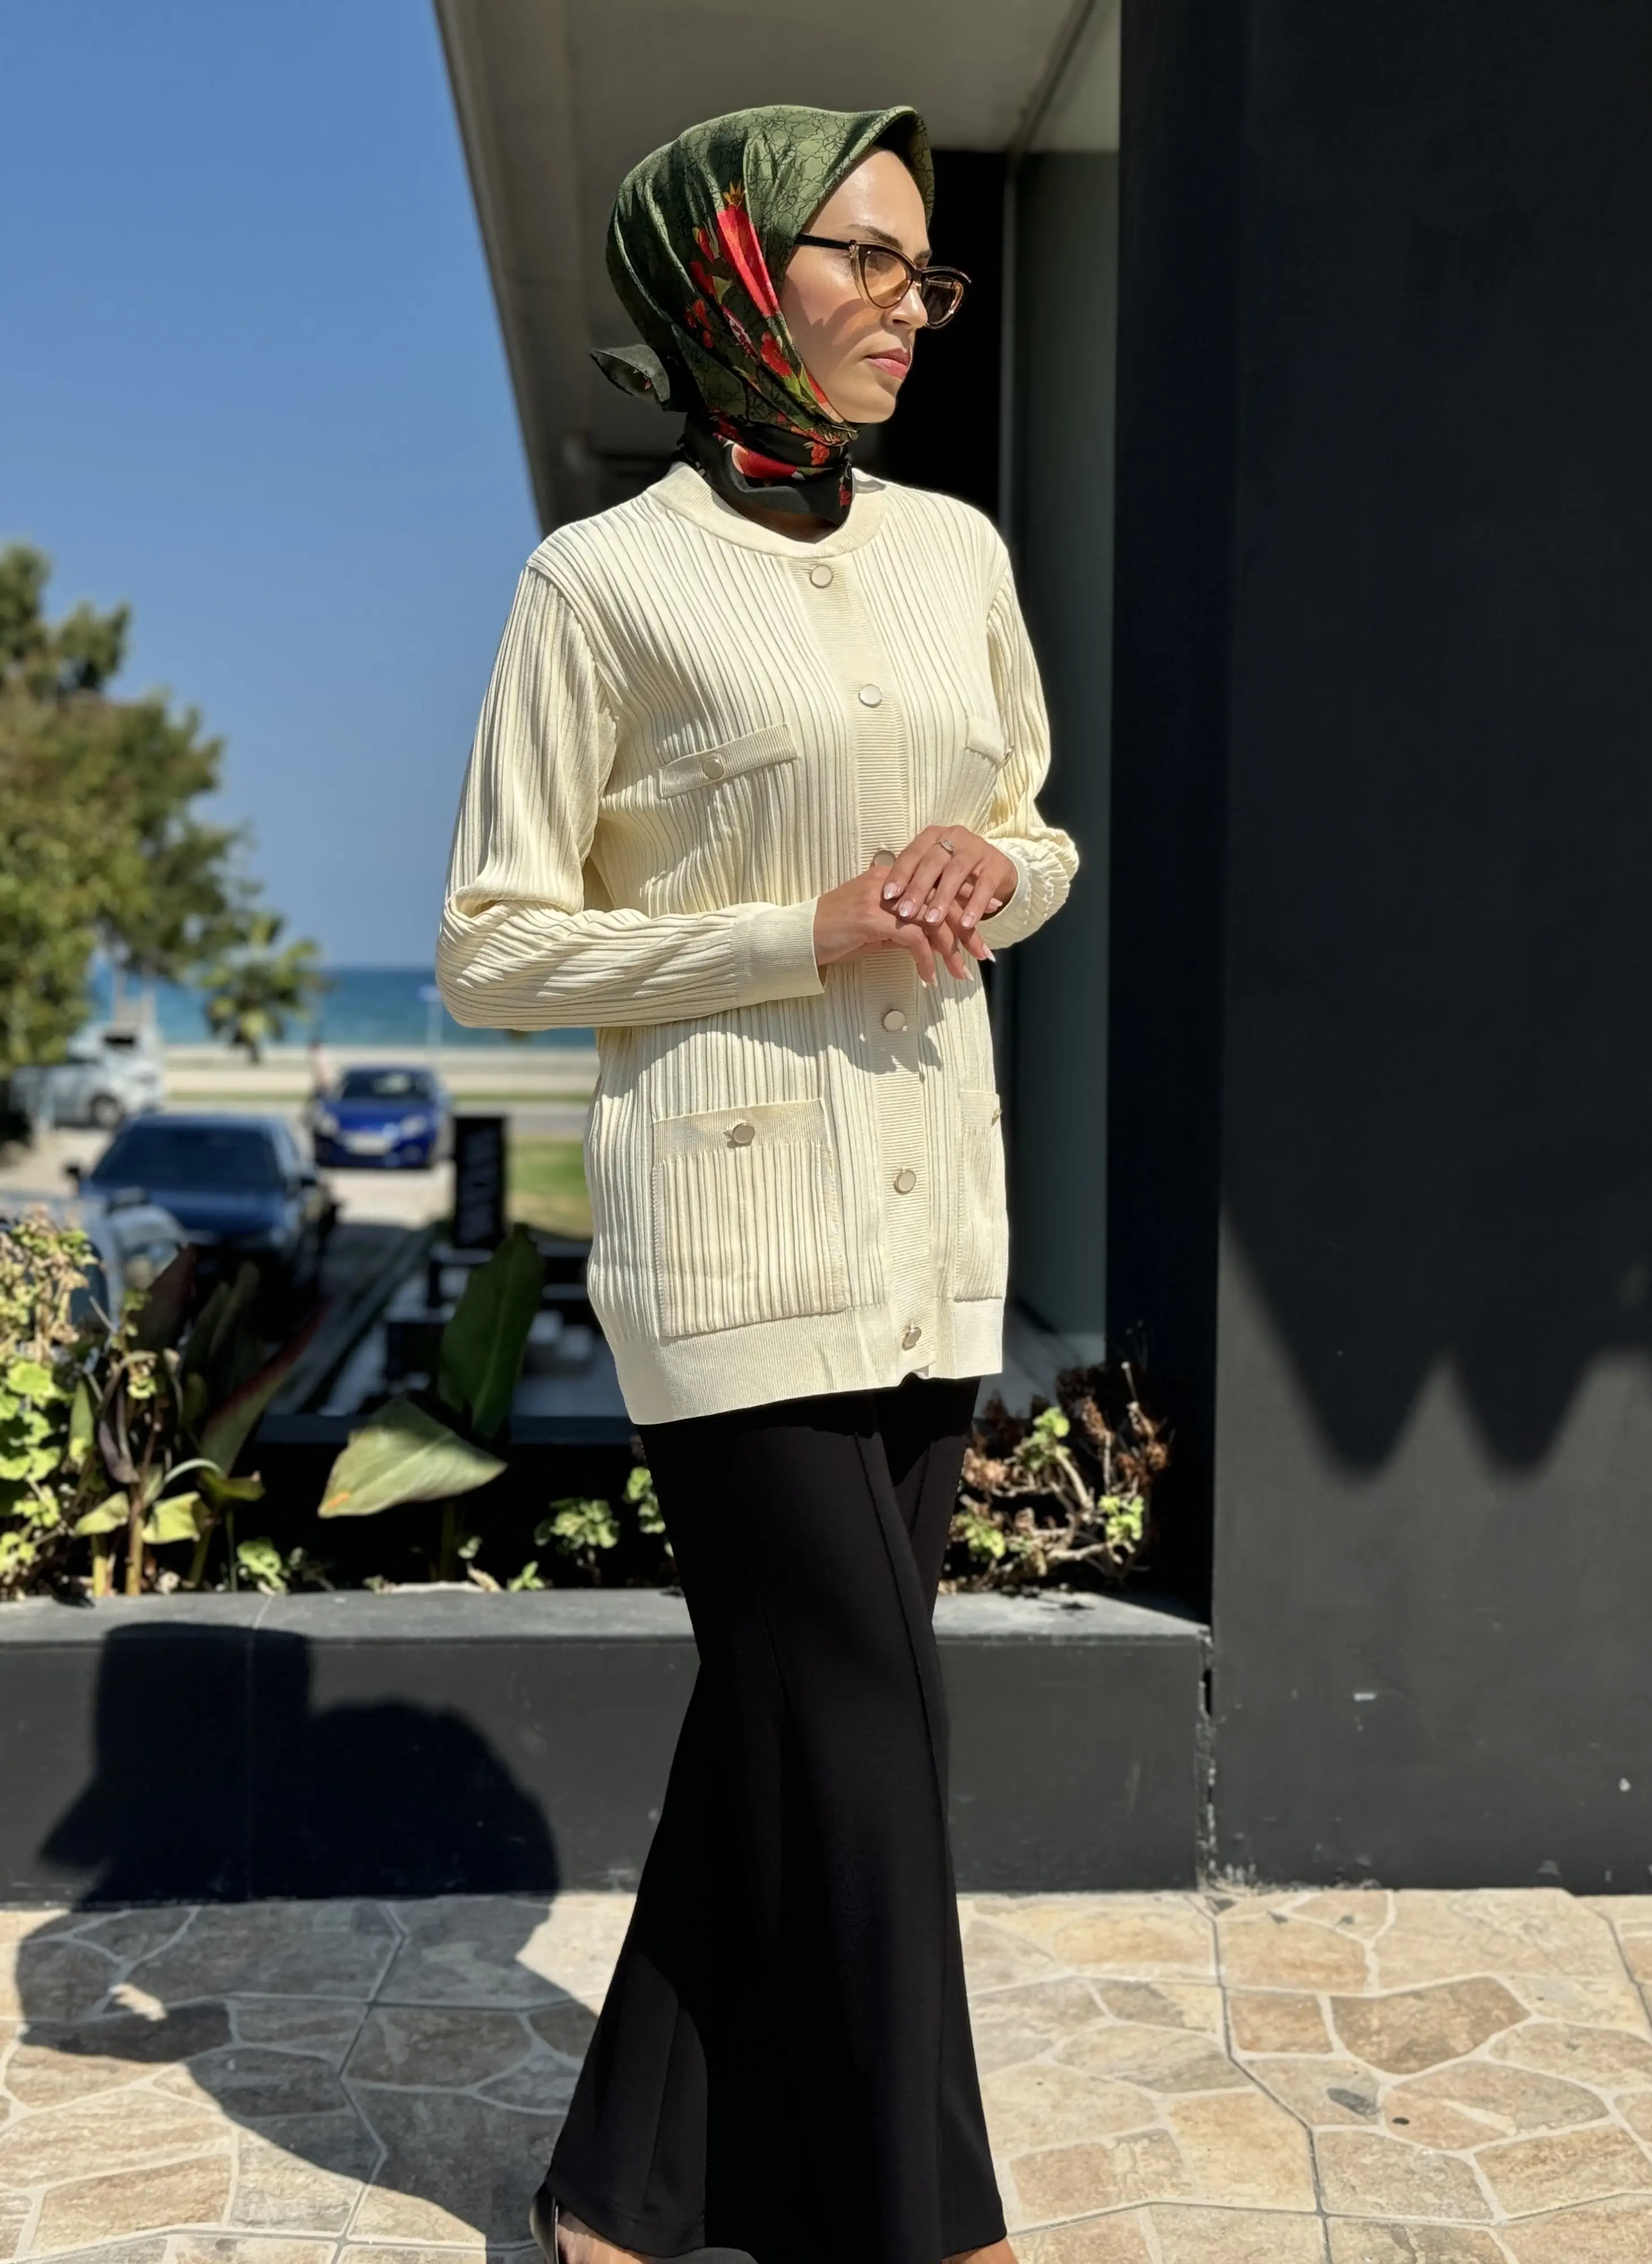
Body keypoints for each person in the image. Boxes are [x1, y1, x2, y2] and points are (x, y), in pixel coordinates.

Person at [436, 102, 1078, 2264]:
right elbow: (493, 947)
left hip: (932, 1214)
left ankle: (621, 2195)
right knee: (870, 1727)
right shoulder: (601, 585)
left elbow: (1039, 831)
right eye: (864, 260)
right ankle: (932, 2222)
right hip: (728, 1240)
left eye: (927, 270)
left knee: (788, 1719)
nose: (910, 304)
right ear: (730, 274)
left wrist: (989, 866)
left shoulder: (957, 552)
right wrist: (797, 931)